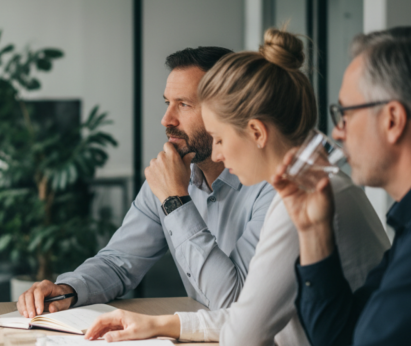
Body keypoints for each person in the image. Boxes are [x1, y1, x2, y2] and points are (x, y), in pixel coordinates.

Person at [84, 29, 389, 344]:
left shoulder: (299, 196)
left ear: (256, 132)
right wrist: (164, 324)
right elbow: (249, 314)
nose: (217, 153)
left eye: (219, 138)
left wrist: (167, 323)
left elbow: (243, 331)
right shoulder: (307, 182)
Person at [17, 47, 276, 319]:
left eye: (184, 104)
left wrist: (176, 200)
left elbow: (235, 304)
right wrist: (68, 289)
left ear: (227, 110)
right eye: (167, 103)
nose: (166, 120)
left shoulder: (271, 188)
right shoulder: (170, 174)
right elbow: (119, 263)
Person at [276, 27, 411, 345]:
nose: (338, 133)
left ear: (392, 120)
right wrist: (314, 232)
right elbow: (338, 337)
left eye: (345, 113)